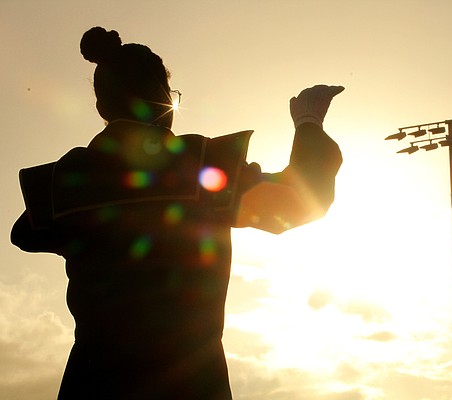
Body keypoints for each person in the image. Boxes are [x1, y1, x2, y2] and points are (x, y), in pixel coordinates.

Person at [11, 27, 344, 400]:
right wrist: (309, 123)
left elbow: (24, 233)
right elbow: (298, 202)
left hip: (91, 385)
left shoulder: (63, 180)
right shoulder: (200, 164)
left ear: (103, 108)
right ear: (162, 100)